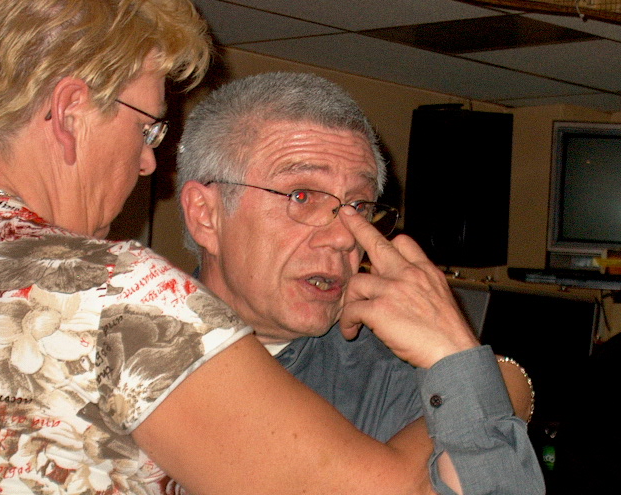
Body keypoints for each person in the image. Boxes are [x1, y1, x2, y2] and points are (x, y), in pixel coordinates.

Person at [0, 0, 539, 495]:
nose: (147, 164)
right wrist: (488, 377)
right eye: (147, 128)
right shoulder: (115, 299)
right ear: (70, 113)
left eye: (359, 205)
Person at [176, 72, 542, 487]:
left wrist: (456, 358)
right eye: (301, 196)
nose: (343, 236)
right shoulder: (126, 349)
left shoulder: (403, 382)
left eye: (360, 206)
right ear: (206, 215)